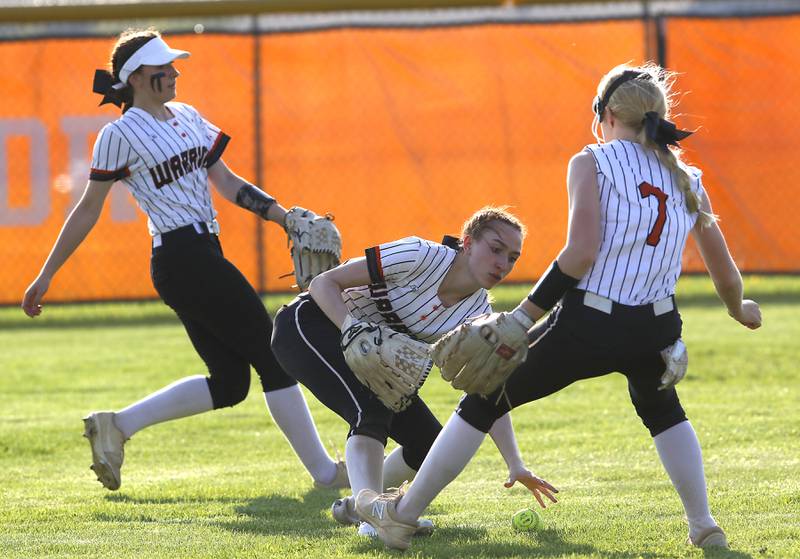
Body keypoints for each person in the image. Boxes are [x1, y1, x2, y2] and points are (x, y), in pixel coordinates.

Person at [355, 63, 762, 551]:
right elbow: (723, 269)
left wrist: (526, 315)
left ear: (609, 114)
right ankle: (703, 524)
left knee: (483, 399)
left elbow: (581, 252)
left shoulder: (592, 161)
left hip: (590, 320)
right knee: (664, 411)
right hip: (658, 328)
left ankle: (402, 514)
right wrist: (740, 308)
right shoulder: (686, 174)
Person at [21, 28, 347, 492]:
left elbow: (228, 182)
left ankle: (117, 425)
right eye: (162, 68)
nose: (174, 72)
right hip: (179, 257)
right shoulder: (119, 134)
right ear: (135, 78)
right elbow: (88, 209)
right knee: (273, 352)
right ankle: (325, 474)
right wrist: (46, 274)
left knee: (231, 384)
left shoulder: (188, 115)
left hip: (203, 252)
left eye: (173, 65)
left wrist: (283, 217)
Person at [270, 207, 557, 542]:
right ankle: (373, 515)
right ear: (467, 243)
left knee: (429, 443)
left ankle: (355, 504)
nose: (503, 264)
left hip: (371, 356)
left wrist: (515, 462)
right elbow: (323, 282)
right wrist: (352, 328)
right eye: (495, 249)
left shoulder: (478, 313)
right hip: (307, 326)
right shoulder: (420, 255)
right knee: (370, 407)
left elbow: (486, 386)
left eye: (512, 257)